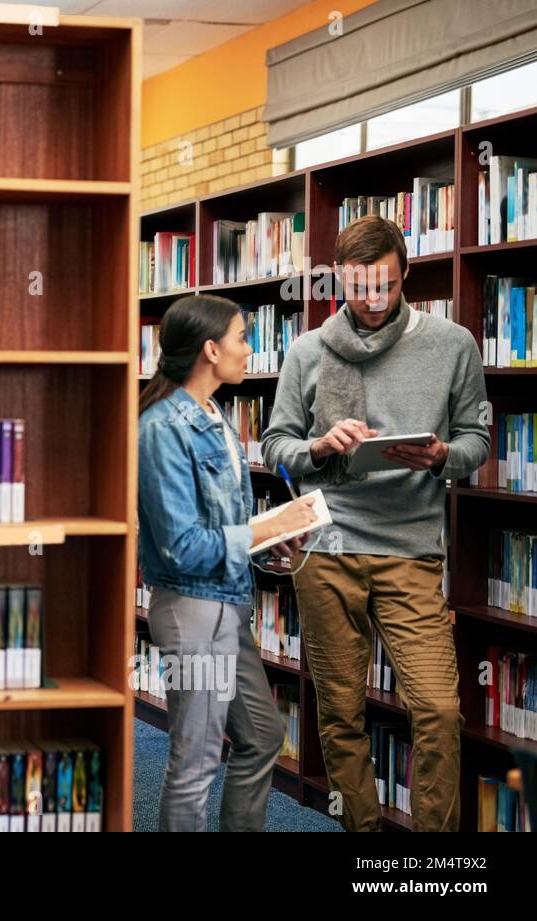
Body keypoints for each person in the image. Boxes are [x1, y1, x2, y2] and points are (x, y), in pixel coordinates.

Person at [261, 215, 489, 831]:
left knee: (439, 711)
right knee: (340, 712)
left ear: (406, 274)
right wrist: (317, 447)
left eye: (383, 286)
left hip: (411, 550)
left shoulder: (452, 344)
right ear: (339, 278)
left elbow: (477, 440)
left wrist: (444, 456)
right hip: (327, 547)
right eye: (357, 287)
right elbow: (274, 443)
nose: (369, 301)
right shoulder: (308, 350)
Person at [138, 294, 317, 831]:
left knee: (261, 736)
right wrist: (264, 528)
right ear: (211, 350)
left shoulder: (215, 415)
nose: (250, 349)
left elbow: (223, 528)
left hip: (230, 605)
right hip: (192, 612)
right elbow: (181, 545)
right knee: (193, 762)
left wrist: (267, 548)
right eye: (242, 338)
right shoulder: (162, 427)